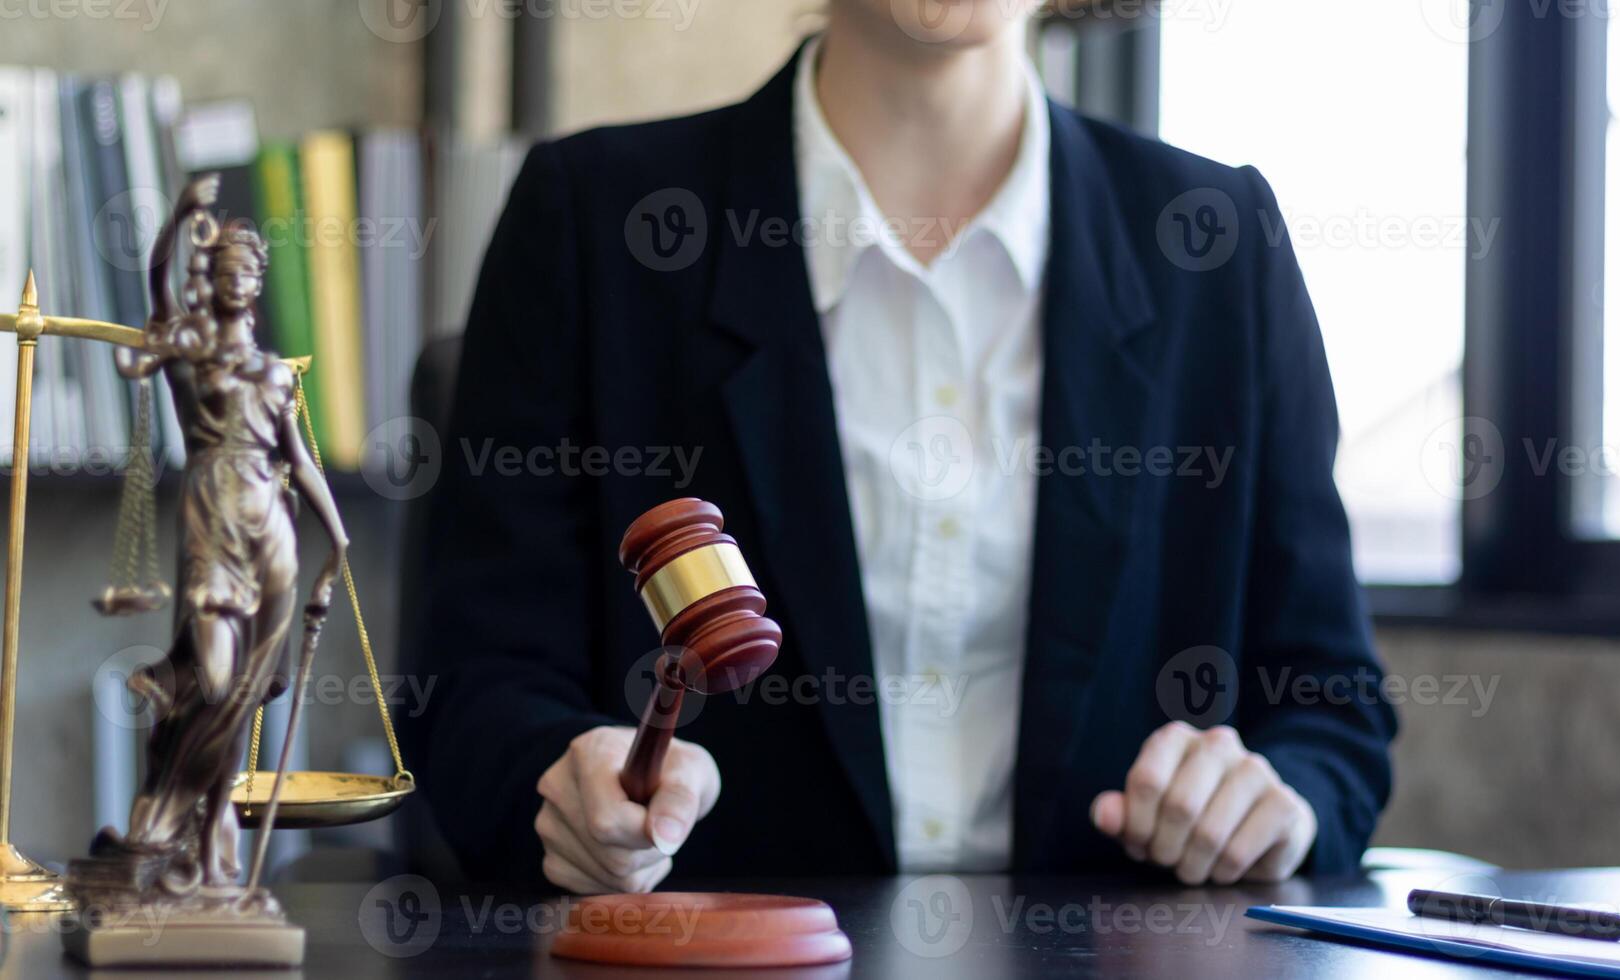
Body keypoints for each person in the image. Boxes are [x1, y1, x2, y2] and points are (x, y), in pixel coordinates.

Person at [406, 1, 1396, 893]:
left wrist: (1279, 804)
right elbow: (473, 686)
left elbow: (1327, 704)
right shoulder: (598, 221)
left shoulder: (1216, 243)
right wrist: (564, 775)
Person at [96, 175, 348, 896]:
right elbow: (155, 283)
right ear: (208, 275)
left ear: (260, 283)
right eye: (224, 267)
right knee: (211, 683)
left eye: (248, 269)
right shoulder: (189, 359)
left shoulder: (274, 374)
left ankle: (210, 855)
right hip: (211, 522)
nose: (236, 278)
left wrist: (339, 540)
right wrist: (179, 219)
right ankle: (163, 825)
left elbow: (300, 462)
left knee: (243, 697)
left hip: (272, 531)